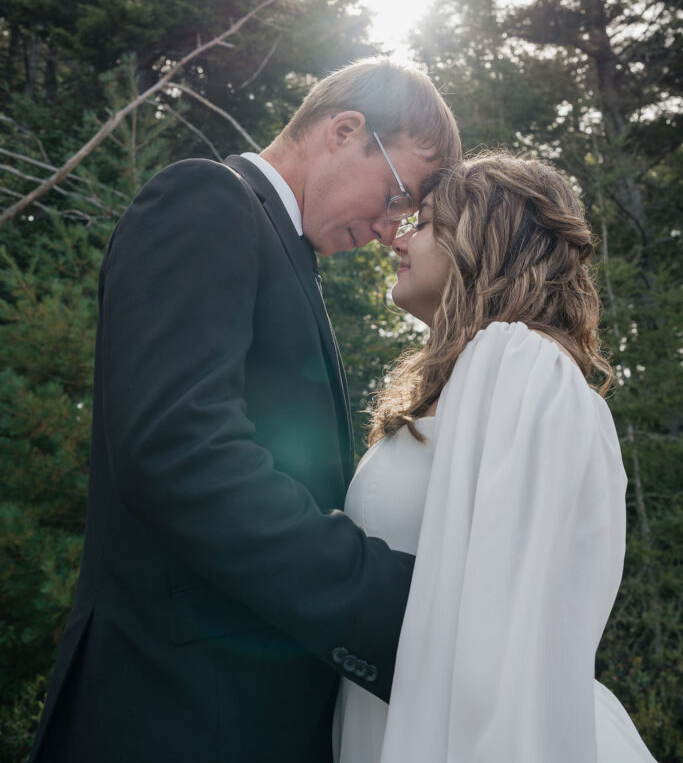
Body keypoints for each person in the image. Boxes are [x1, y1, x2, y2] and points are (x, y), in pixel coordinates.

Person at [29, 58, 461, 763]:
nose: (391, 229)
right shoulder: (207, 200)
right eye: (393, 194)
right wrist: (390, 602)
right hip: (170, 714)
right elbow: (180, 453)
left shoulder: (284, 251)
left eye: (405, 213)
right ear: (343, 130)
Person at [334, 153, 657, 763]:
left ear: (484, 241)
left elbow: (501, 646)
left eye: (424, 222)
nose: (398, 238)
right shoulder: (472, 379)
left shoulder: (522, 365)